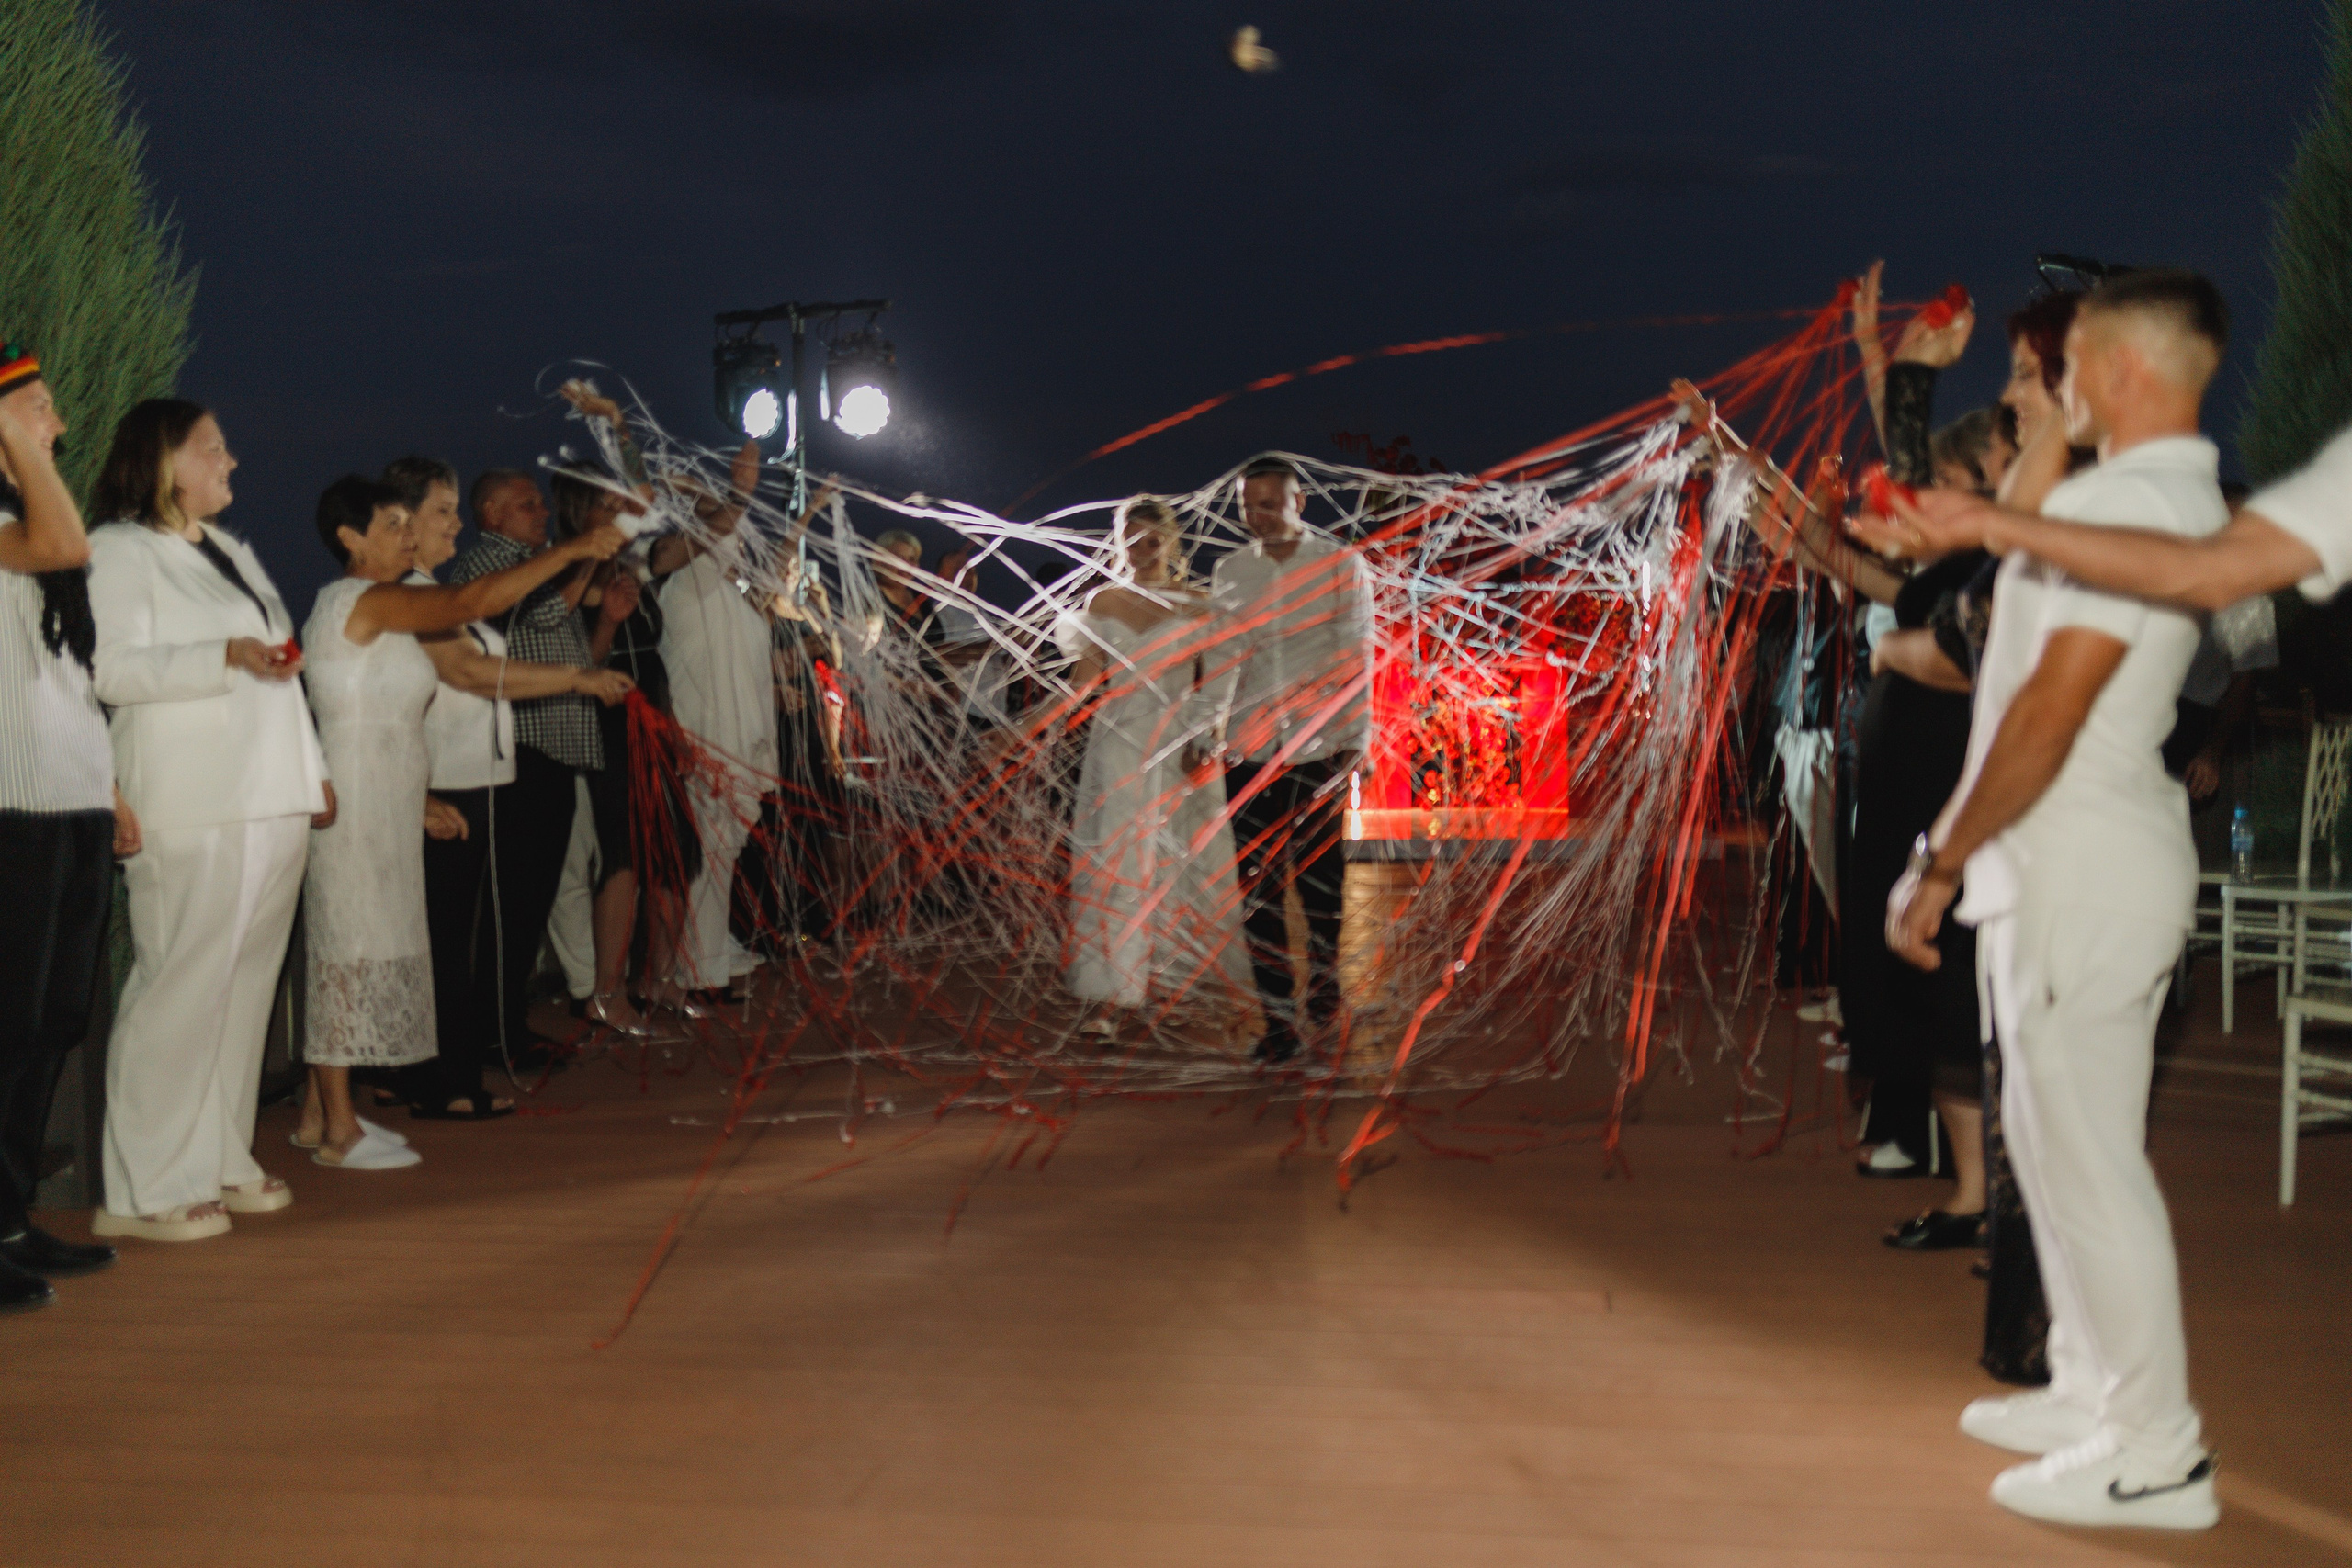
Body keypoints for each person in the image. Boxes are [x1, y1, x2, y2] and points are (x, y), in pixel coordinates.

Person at [1883, 269, 2230, 1529]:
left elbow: (2046, 709)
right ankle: (2091, 1388)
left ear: (2123, 371)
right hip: (2062, 869)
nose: (2045, 389)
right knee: (2055, 1152)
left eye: (2065, 365)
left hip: (2085, 866)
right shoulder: (2114, 495)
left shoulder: (2142, 509)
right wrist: (1929, 389)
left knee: (2092, 1168)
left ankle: (2158, 1448)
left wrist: (1941, 858)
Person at [292, 476, 624, 1170]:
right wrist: (574, 550)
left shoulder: (388, 609)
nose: (407, 536)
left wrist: (416, 795)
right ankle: (339, 1126)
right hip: (355, 796)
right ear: (351, 538)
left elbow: (465, 672)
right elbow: (473, 603)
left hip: (387, 791)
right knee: (347, 949)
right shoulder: (366, 597)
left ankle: (322, 1113)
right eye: (392, 524)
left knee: (371, 941)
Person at [84, 400, 331, 1242]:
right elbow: (111, 668)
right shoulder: (118, 550)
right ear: (164, 462)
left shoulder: (226, 549)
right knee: (180, 984)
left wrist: (313, 772)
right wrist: (219, 656)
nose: (230, 463)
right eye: (214, 449)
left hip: (269, 793)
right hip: (191, 797)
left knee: (244, 988)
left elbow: (281, 663)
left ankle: (220, 1153)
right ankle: (144, 1182)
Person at [383, 456, 629, 1118]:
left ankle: (453, 1062)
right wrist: (577, 554)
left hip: (483, 774)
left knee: (478, 926)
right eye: (443, 511)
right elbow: (476, 663)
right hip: (457, 779)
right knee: (457, 933)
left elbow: (493, 655)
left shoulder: (434, 585)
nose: (454, 524)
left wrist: (583, 666)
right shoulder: (442, 584)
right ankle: (441, 1071)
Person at [0, 343, 127, 1308]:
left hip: (71, 800)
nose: (59, 424)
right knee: (7, 1025)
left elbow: (73, 677)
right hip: (12, 808)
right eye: (39, 407)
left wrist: (111, 788)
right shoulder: (20, 521)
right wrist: (14, 435)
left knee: (47, 1025)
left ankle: (8, 1218)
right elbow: (63, 548)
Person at [1055, 498, 1254, 1045]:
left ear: (1172, 541)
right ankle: (1108, 996)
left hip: (1179, 746)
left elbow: (1216, 687)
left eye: (1152, 540)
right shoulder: (1104, 600)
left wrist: (1206, 739)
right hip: (1117, 745)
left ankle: (1165, 982)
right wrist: (1032, 726)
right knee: (1117, 862)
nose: (1141, 551)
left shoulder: (1201, 606)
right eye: (1131, 540)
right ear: (1118, 543)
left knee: (1176, 861)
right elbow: (1083, 682)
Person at [1204, 457, 1375, 1063]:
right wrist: (1207, 730)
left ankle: (1325, 997)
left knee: (1322, 887)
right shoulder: (1231, 570)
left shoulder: (1339, 564)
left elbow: (1357, 652)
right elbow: (1222, 654)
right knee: (1258, 894)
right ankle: (1278, 1024)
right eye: (1251, 505)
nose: (1261, 516)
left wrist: (1359, 740)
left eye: (1273, 503)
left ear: (1299, 502)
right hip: (1248, 751)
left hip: (1319, 748)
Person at [444, 469, 605, 1063]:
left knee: (528, 901)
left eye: (541, 502)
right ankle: (496, 1031)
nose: (541, 512)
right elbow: (541, 615)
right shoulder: (490, 564)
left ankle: (505, 1024)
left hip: (549, 753)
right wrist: (584, 553)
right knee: (513, 902)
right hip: (524, 755)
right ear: (490, 514)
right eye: (527, 503)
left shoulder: (528, 563)